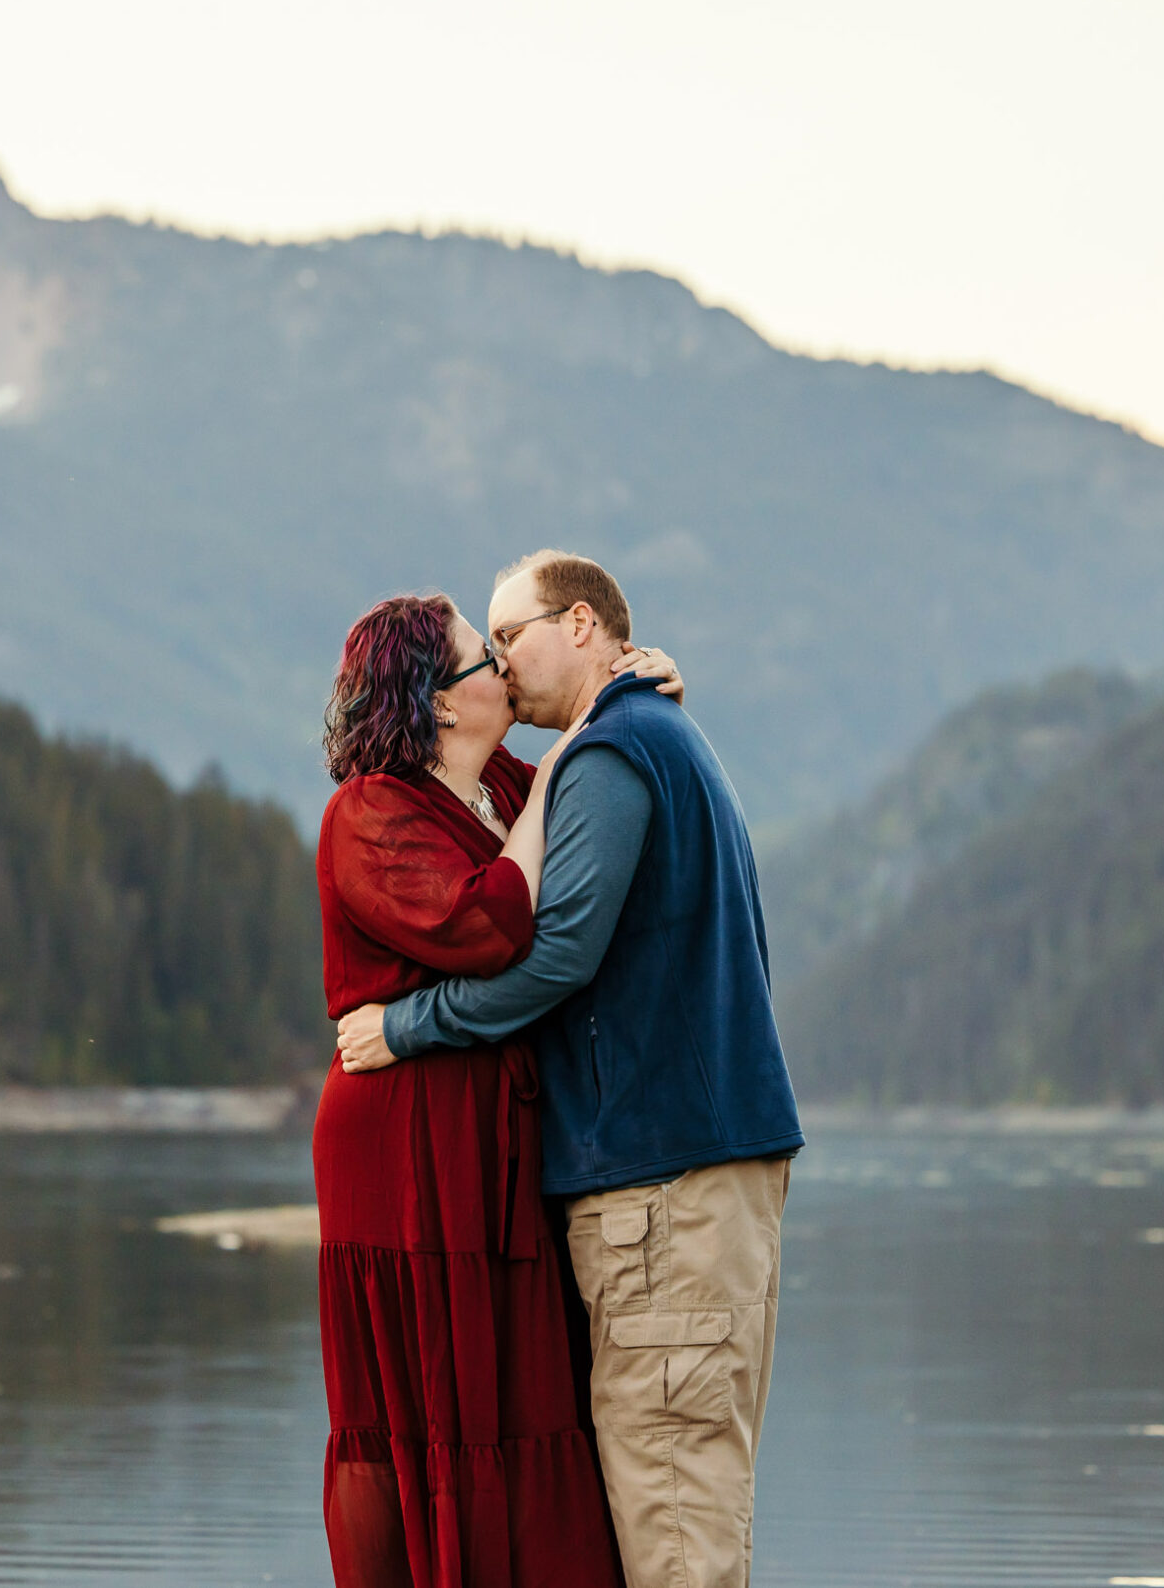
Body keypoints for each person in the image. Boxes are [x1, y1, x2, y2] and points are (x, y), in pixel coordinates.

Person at [337, 551, 802, 1588]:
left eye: (511, 636)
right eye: (485, 649)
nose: (499, 665)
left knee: (673, 1516)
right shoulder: (648, 732)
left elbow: (555, 955)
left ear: (583, 625)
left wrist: (407, 1025)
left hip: (659, 1181)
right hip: (697, 1168)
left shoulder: (609, 754)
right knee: (685, 1489)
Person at [313, 590, 680, 1588]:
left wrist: (631, 683)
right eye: (485, 659)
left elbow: (588, 788)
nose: (504, 672)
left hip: (492, 1134)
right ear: (436, 701)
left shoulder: (499, 787)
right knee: (425, 1399)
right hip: (401, 1137)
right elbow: (488, 927)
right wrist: (565, 765)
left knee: (517, 1388)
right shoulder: (370, 812)